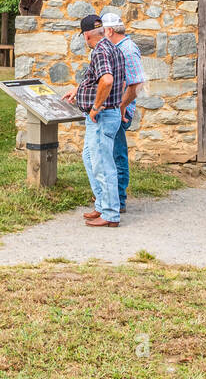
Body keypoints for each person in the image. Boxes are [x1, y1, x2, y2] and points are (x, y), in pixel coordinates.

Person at [62, 14, 126, 227]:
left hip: (102, 115)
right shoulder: (113, 48)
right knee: (90, 157)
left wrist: (96, 107)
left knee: (102, 163)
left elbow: (106, 81)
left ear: (87, 34)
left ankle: (110, 214)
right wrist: (79, 90)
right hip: (110, 112)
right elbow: (116, 81)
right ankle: (102, 203)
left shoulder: (99, 51)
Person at [102, 12, 146, 215]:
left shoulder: (127, 50)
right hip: (114, 109)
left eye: (103, 30)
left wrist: (121, 106)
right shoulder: (117, 48)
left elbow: (137, 83)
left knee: (117, 154)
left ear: (109, 30)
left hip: (120, 111)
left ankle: (118, 199)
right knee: (110, 153)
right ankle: (111, 197)